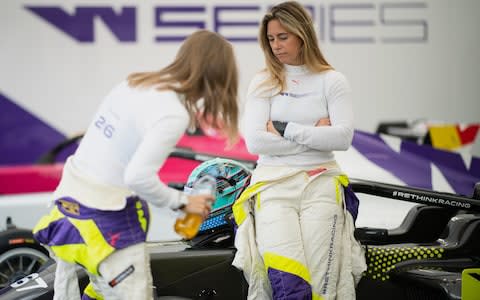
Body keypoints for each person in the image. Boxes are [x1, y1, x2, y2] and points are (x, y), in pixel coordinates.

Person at [32, 29, 239, 300]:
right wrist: (184, 203)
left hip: (67, 208)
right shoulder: (172, 112)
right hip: (105, 219)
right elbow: (138, 177)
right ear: (219, 76)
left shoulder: (134, 83)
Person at [232, 2, 366, 299]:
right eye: (270, 39)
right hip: (273, 186)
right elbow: (255, 142)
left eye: (283, 37)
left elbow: (342, 138)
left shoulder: (332, 80)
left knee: (322, 283)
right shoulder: (262, 81)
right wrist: (317, 133)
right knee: (287, 279)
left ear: (301, 34)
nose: (276, 46)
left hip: (321, 183)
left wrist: (283, 128)